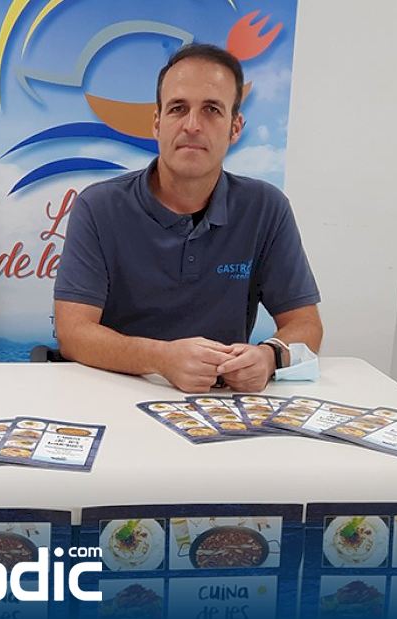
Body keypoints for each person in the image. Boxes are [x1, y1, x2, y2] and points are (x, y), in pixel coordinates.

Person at [53, 43, 322, 393]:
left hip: (220, 405)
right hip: (115, 394)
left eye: (212, 110)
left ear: (235, 127)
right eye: (178, 109)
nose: (192, 125)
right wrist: (161, 359)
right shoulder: (99, 206)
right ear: (157, 123)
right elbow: (73, 333)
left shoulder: (266, 208)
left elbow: (306, 325)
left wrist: (270, 356)